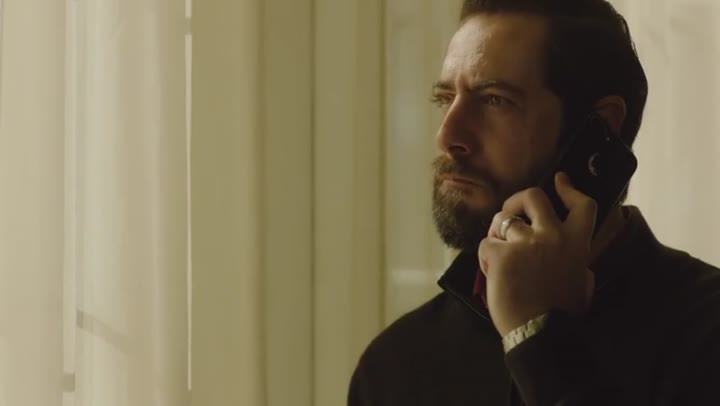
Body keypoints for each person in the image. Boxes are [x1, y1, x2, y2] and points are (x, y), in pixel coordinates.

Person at [348, 1, 720, 405]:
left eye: (494, 100)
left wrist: (540, 342)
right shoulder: (395, 367)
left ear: (600, 126)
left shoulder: (706, 333)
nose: (447, 136)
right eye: (445, 98)